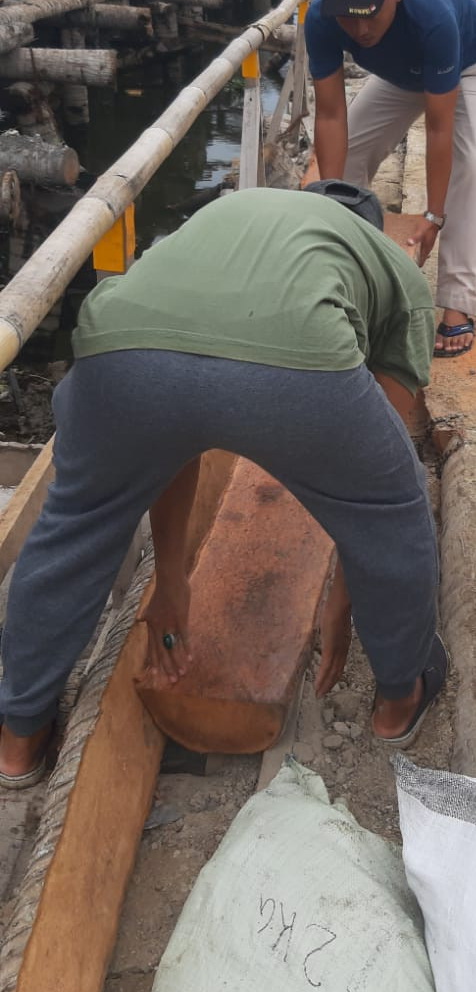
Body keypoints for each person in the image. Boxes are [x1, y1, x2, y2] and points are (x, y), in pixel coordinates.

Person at [0, 182, 448, 790]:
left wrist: (173, 582)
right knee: (397, 511)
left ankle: (18, 740)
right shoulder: (397, 270)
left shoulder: (228, 212)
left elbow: (176, 439)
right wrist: (347, 597)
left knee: (73, 528)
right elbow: (374, 491)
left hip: (120, 352)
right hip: (298, 356)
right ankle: (400, 699)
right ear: (371, 229)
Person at [307, 0, 476, 359]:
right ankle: (344, 266)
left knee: (472, 164)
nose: (359, 29)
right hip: (401, 76)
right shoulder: (321, 19)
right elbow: (329, 116)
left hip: (472, 64)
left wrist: (433, 216)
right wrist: (329, 204)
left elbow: (438, 127)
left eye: (369, 14)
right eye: (347, 17)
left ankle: (458, 303)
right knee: (342, 164)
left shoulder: (431, 15)